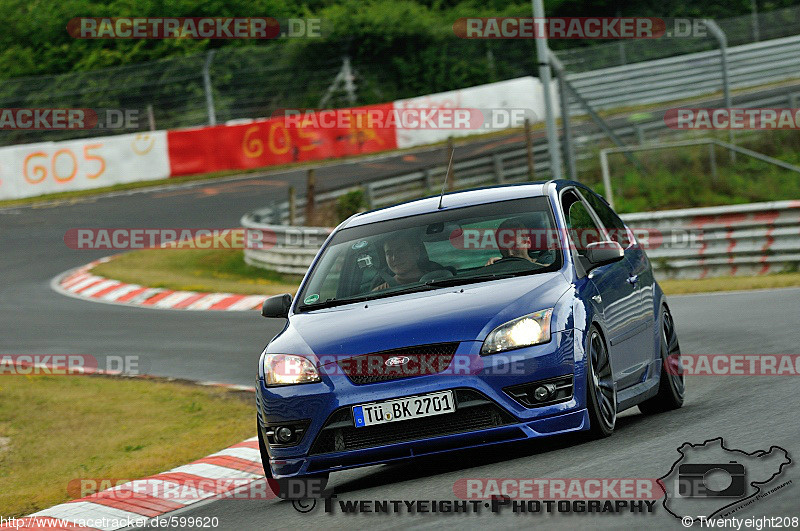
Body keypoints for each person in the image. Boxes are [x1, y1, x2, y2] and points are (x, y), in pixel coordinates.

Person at [372, 231, 443, 290]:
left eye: (400, 251)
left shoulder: (442, 281)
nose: (394, 258)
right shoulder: (378, 292)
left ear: (416, 252)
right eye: (389, 254)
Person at [485, 217, 555, 267]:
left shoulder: (548, 260)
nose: (510, 253)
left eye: (514, 246)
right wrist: (494, 266)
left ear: (528, 242)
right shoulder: (498, 266)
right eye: (504, 248)